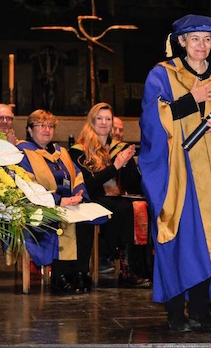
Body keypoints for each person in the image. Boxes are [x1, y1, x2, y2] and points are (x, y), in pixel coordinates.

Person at [139, 14, 211, 333]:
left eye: (207, 40)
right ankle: (176, 313)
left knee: (206, 239)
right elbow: (150, 121)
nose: (202, 45)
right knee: (179, 239)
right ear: (182, 42)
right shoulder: (162, 75)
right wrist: (192, 100)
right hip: (177, 173)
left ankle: (201, 311)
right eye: (195, 39)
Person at [69, 102, 150, 289]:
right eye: (100, 118)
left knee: (140, 207)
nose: (104, 123)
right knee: (123, 209)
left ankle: (134, 269)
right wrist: (115, 166)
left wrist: (131, 166)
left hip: (118, 199)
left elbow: (131, 185)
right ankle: (118, 263)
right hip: (92, 198)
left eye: (108, 119)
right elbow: (87, 185)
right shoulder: (79, 150)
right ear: (92, 121)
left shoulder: (119, 148)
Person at [17, 109, 94, 294]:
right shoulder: (23, 153)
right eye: (41, 125)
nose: (47, 129)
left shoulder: (61, 152)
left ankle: (80, 271)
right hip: (40, 206)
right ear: (29, 129)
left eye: (50, 126)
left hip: (69, 203)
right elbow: (28, 184)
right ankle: (60, 276)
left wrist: (77, 196)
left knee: (85, 222)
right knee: (62, 221)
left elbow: (77, 176)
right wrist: (58, 200)